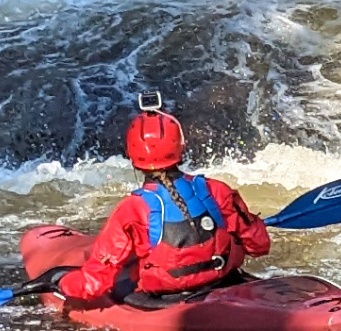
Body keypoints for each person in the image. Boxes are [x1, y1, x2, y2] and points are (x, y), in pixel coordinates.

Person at [53, 103, 270, 305]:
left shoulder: (132, 210)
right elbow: (259, 246)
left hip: (167, 300)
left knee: (121, 277)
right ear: (180, 148)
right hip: (221, 281)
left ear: (131, 156)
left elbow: (94, 282)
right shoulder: (217, 190)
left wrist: (63, 284)